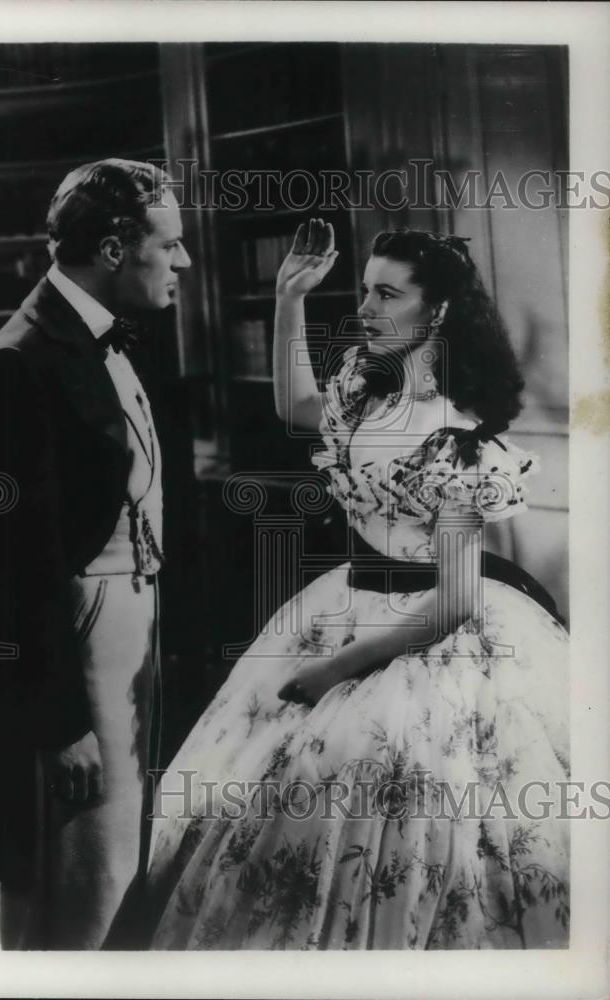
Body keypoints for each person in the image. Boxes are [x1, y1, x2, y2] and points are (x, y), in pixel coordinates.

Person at [144, 223, 569, 950]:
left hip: (426, 639)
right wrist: (289, 300)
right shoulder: (364, 395)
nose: (366, 308)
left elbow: (456, 602)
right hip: (342, 604)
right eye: (364, 290)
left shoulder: (454, 439)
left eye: (386, 294)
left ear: (433, 313)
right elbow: (293, 411)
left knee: (397, 803)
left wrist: (333, 670)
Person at [0, 158, 191, 949]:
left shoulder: (105, 337)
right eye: (171, 244)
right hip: (78, 649)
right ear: (116, 248)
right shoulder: (20, 362)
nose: (183, 263)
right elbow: (5, 563)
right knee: (81, 876)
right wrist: (58, 722)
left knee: (119, 863)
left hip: (127, 634)